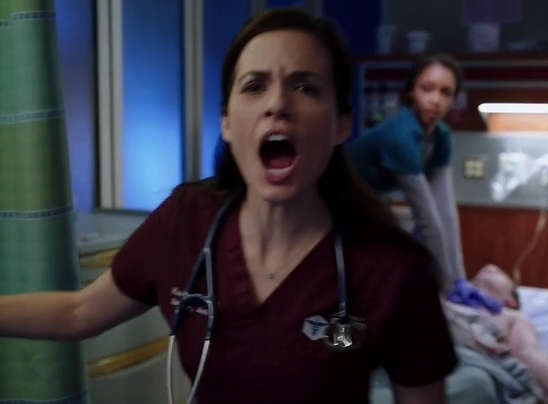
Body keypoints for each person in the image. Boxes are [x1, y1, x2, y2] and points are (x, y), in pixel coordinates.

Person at [0, 9, 459, 404]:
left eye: (305, 87)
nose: (277, 104)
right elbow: (79, 313)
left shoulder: (394, 270)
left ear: (341, 125)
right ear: (226, 123)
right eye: (254, 86)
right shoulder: (187, 220)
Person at [345, 55, 466, 293]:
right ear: (411, 91)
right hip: (332, 204)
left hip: (369, 204)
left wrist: (460, 281)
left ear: (454, 99)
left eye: (446, 93)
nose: (436, 100)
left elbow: (446, 215)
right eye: (427, 89)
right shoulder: (399, 136)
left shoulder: (441, 137)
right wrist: (448, 290)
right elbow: (428, 222)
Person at [462, 265, 548, 403]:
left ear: (511, 301)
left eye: (499, 272)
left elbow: (528, 352)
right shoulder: (450, 299)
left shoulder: (510, 316)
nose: (490, 267)